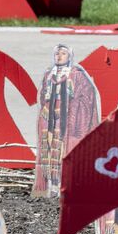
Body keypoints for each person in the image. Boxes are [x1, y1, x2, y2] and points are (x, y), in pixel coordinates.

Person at [33, 44, 100, 197]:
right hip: (49, 119)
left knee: (65, 151)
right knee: (49, 151)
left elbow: (87, 96)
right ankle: (53, 185)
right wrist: (46, 109)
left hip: (68, 121)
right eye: (57, 53)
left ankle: (68, 184)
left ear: (70, 56)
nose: (59, 56)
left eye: (63, 53)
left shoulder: (77, 75)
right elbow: (44, 95)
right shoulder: (49, 74)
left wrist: (71, 109)